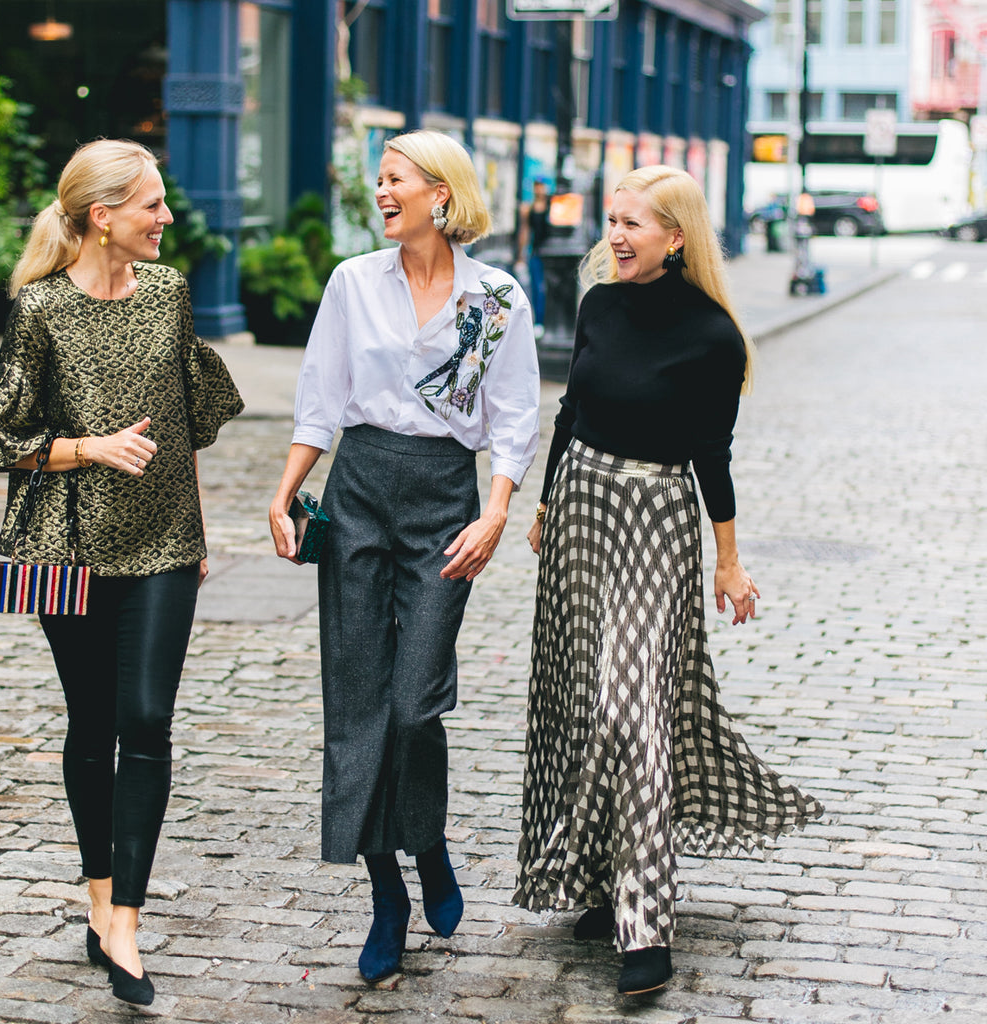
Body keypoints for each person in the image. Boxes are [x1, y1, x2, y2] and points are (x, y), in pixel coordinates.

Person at [514, 166, 823, 996]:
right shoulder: (599, 306)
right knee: (584, 696)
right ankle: (596, 877)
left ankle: (645, 922)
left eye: (632, 225)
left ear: (676, 237)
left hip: (656, 518)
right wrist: (546, 502)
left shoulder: (713, 335)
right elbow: (572, 411)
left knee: (631, 705)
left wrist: (728, 557)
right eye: (612, 222)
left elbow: (711, 452)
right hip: (580, 507)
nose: (615, 237)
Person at [0, 140, 243, 1006]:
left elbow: (193, 420)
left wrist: (197, 533)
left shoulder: (168, 296)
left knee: (147, 717)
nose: (167, 218)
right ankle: (96, 899)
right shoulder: (40, 310)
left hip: (163, 541)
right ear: (104, 217)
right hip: (72, 544)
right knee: (92, 726)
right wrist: (91, 447)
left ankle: (125, 919)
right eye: (152, 205)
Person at [269, 129, 539, 983]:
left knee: (414, 702)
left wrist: (495, 513)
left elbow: (515, 415)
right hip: (359, 492)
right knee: (357, 698)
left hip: (443, 499)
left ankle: (427, 841)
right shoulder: (353, 282)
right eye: (378, 180)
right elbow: (321, 395)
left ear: (441, 195)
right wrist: (285, 492)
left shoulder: (496, 298)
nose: (380, 192)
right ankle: (389, 891)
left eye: (395, 179)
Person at [514, 177, 551, 332]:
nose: (539, 190)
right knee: (537, 286)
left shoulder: (553, 206)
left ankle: (546, 319)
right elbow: (525, 232)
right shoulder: (529, 209)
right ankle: (539, 321)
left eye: (541, 186)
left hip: (551, 252)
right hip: (537, 252)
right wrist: (521, 255)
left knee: (549, 286)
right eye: (537, 186)